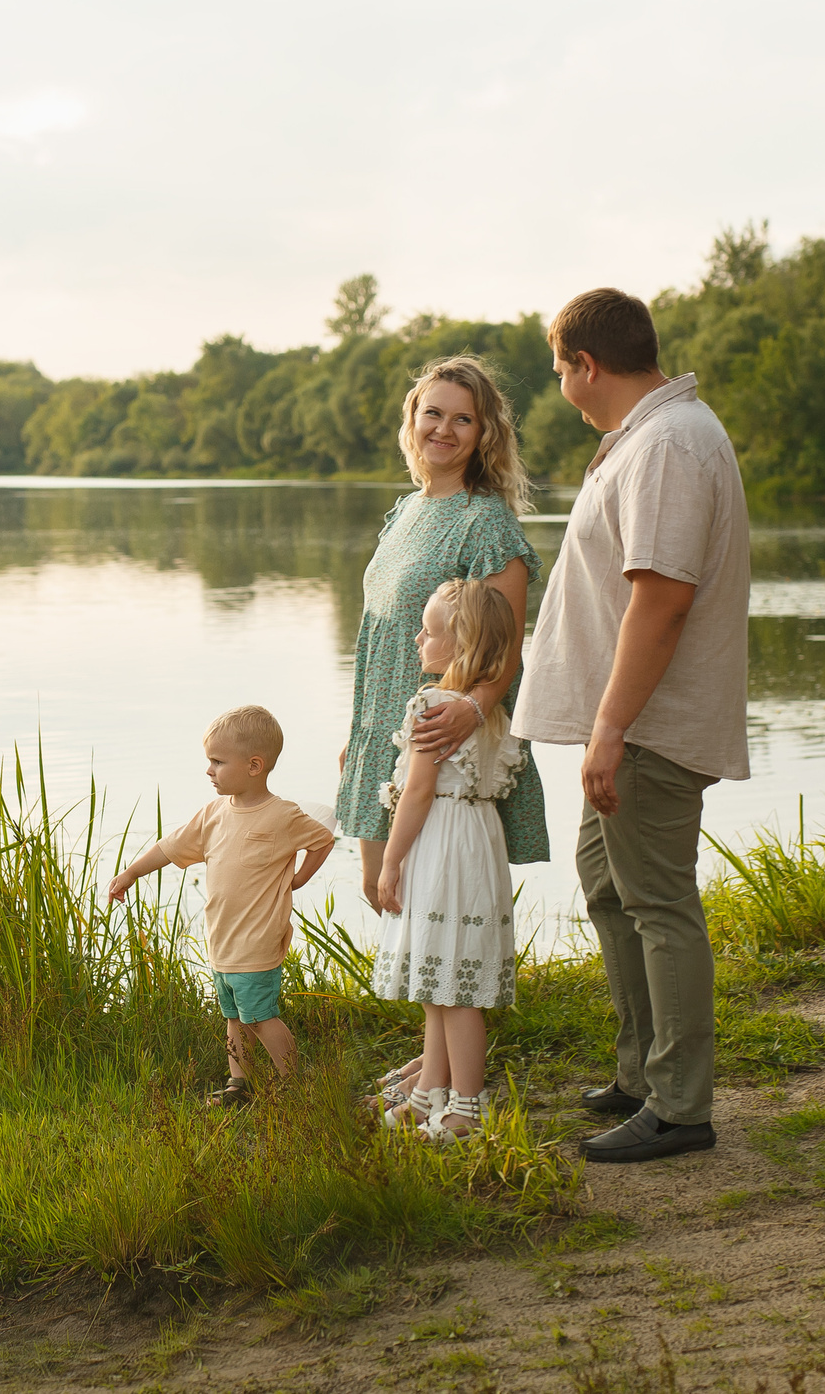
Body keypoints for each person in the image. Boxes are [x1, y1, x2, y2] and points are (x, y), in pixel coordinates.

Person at [511, 288, 750, 1165]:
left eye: (558, 366)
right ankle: (642, 1074)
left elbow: (663, 597)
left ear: (586, 365)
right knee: (607, 885)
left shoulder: (671, 445)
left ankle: (681, 1106)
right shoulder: (648, 438)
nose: (560, 381)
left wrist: (611, 729)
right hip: (625, 722)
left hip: (647, 723)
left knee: (657, 900)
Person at [333, 355, 551, 1116]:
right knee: (394, 897)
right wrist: (359, 734)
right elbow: (382, 632)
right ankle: (432, 1067)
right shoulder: (404, 512)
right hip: (387, 728)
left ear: (484, 432)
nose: (445, 429)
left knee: (427, 899)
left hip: (440, 733)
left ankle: (452, 1083)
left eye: (463, 418)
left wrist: (474, 703)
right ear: (412, 418)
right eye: (433, 413)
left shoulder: (484, 520)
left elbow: (505, 643)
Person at [109, 705, 336, 1105]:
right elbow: (169, 847)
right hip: (223, 939)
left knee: (261, 1016)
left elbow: (321, 840)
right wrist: (131, 873)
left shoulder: (282, 815)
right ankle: (239, 1083)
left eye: (217, 761)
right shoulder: (213, 814)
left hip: (257, 941)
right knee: (234, 1017)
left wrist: (298, 878)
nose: (209, 770)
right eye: (208, 761)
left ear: (253, 765)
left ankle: (292, 1084)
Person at [368, 578, 527, 1142]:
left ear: (459, 647)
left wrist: (390, 862)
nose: (416, 638)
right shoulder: (488, 710)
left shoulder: (433, 705)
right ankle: (426, 1091)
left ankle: (466, 1106)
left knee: (455, 988)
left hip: (439, 842)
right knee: (442, 974)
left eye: (429, 631)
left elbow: (416, 793)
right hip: (477, 841)